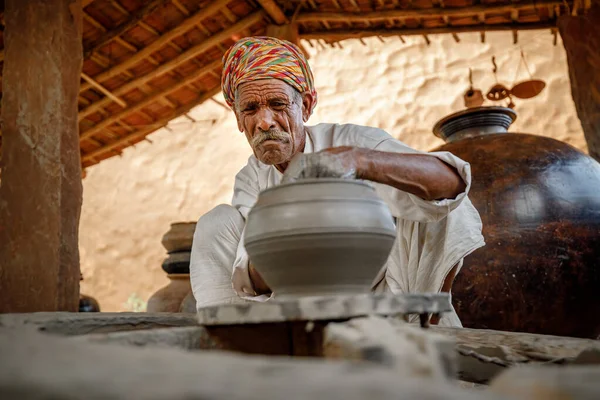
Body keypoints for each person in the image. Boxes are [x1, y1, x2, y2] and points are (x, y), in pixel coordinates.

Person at [189, 36, 484, 326]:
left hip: (388, 299)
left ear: (304, 106)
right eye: (250, 109)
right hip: (301, 303)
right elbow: (252, 277)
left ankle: (427, 323)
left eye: (278, 104)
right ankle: (232, 347)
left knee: (437, 199)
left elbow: (452, 183)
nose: (264, 121)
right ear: (240, 120)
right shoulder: (252, 177)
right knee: (216, 222)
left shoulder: (354, 142)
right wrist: (299, 240)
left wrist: (359, 161)